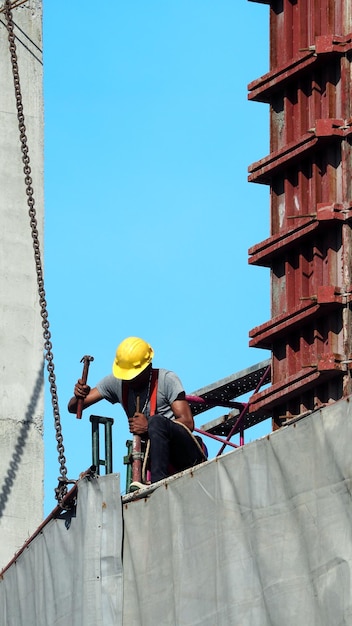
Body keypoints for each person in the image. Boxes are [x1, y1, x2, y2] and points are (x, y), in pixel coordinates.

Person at [68, 336, 206, 488]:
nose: (129, 380)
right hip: (154, 458)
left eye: (133, 376)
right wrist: (78, 395)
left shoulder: (167, 380)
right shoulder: (117, 382)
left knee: (156, 421)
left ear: (148, 366)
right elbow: (74, 407)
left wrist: (149, 427)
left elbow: (188, 423)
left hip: (184, 454)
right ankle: (153, 482)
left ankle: (157, 486)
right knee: (153, 427)